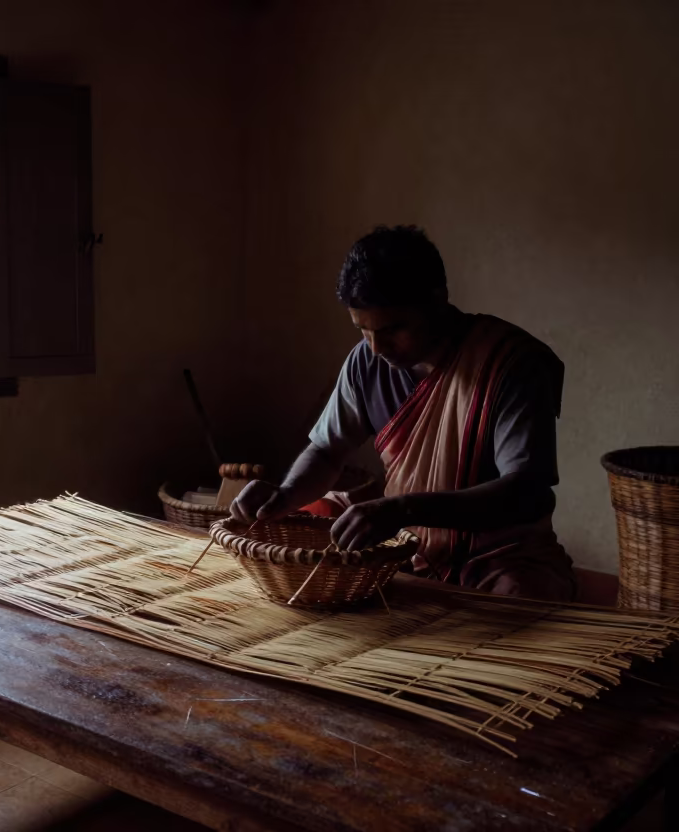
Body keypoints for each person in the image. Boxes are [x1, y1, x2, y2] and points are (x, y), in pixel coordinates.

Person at [231, 225, 577, 601]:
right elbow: (327, 452)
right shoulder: (366, 363)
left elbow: (527, 492)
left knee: (522, 608)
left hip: (502, 560)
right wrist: (282, 497)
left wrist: (404, 509)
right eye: (363, 330)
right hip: (405, 552)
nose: (378, 347)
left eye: (394, 328)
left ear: (438, 299)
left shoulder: (509, 363)